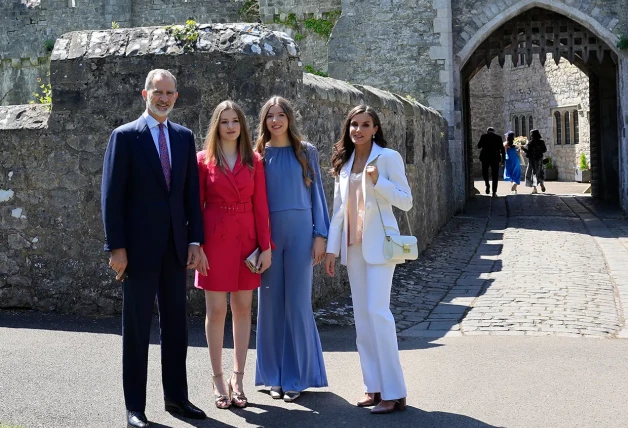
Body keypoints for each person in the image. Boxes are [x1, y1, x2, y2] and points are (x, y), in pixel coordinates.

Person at [101, 69, 206, 428]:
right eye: (157, 92)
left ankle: (177, 399)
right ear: (144, 94)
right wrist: (116, 247)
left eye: (169, 93)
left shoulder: (184, 137)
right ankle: (135, 408)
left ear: (176, 97)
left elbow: (191, 194)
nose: (163, 98)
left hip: (176, 248)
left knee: (177, 326)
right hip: (138, 250)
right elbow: (112, 197)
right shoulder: (125, 137)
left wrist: (195, 240)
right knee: (137, 328)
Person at [323, 105, 410, 415]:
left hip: (381, 246)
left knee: (378, 312)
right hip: (353, 247)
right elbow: (338, 211)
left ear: (375, 128)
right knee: (361, 316)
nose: (358, 129)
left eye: (365, 124)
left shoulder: (387, 158)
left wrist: (378, 182)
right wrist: (332, 250)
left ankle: (394, 391)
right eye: (353, 125)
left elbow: (406, 200)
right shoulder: (344, 164)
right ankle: (372, 386)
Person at [194, 100, 272, 410]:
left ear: (242, 125)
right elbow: (195, 207)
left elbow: (261, 206)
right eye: (224, 121)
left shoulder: (254, 160)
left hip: (246, 242)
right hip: (213, 241)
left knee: (242, 309)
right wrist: (195, 245)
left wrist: (265, 247)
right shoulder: (202, 161)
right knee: (215, 312)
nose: (230, 126)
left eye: (235, 121)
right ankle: (217, 379)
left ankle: (238, 378)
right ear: (217, 126)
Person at [254, 96, 329, 402]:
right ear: (264, 120)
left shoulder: (305, 151)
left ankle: (297, 376)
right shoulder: (257, 154)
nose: (276, 120)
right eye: (270, 115)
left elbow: (318, 195)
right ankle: (273, 376)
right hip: (268, 236)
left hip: (301, 235)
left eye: (281, 114)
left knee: (297, 304)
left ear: (289, 118)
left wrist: (320, 235)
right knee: (270, 305)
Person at [477, 127, 506, 197]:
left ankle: (487, 184)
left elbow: (479, 146)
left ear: (487, 131)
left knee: (485, 172)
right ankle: (494, 192)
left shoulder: (483, 136)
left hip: (485, 157)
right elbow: (502, 149)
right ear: (494, 131)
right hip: (495, 157)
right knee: (495, 175)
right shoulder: (498, 137)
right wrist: (503, 159)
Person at [521, 129, 547, 194]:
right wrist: (539, 151)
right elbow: (544, 150)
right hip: (539, 159)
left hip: (532, 160)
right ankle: (541, 184)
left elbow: (529, 152)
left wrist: (523, 148)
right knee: (540, 171)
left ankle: (535, 188)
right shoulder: (541, 142)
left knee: (533, 173)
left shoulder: (530, 143)